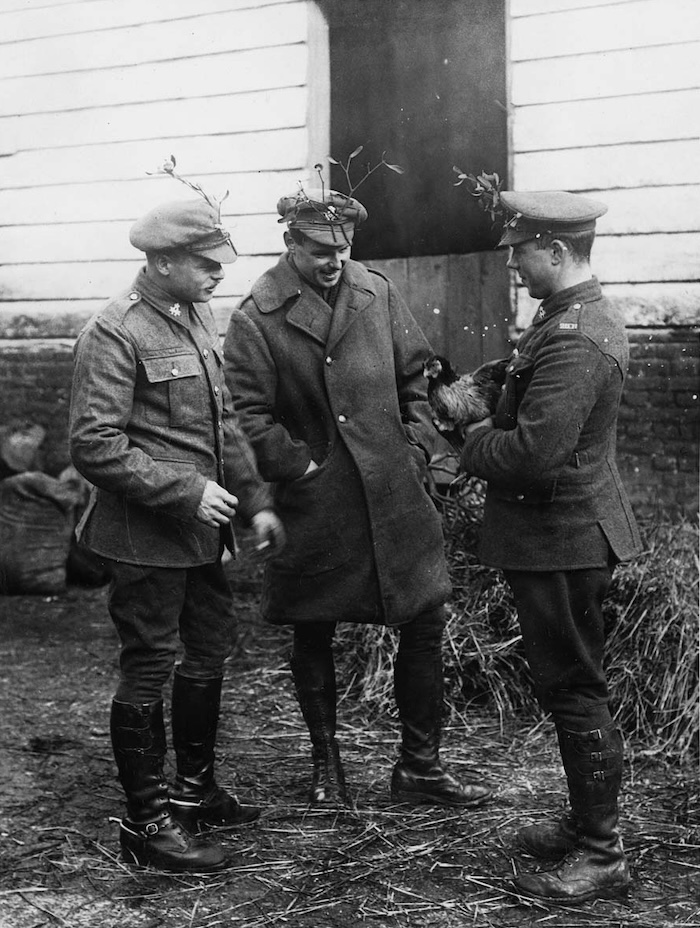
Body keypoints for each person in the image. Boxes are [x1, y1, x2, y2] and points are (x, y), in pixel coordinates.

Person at [223, 187, 492, 811]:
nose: (335, 261)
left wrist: (421, 451)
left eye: (344, 248)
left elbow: (417, 380)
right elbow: (246, 417)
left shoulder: (377, 290)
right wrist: (302, 464)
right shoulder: (256, 316)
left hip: (396, 492)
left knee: (425, 618)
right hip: (318, 500)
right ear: (290, 242)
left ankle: (421, 766)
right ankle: (328, 768)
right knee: (313, 626)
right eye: (320, 250)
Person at [69, 197, 285, 872]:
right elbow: (93, 445)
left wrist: (255, 502)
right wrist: (187, 491)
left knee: (209, 649)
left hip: (200, 537)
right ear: (161, 263)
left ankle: (193, 793)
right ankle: (147, 822)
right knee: (150, 665)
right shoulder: (114, 331)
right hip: (145, 536)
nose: (218, 275)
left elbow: (220, 423)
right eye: (204, 264)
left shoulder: (193, 314)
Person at [460, 190, 642, 903]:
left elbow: (535, 453)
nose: (514, 266)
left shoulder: (575, 335)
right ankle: (585, 824)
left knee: (574, 690)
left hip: (562, 537)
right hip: (555, 535)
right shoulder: (567, 319)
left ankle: (603, 854)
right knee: (569, 685)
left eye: (521, 253)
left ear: (557, 251)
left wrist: (471, 442)